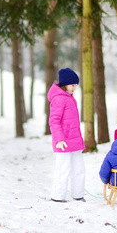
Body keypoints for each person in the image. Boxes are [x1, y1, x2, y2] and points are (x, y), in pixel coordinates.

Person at [47, 68, 86, 202]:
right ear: (65, 84)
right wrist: (59, 139)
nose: (74, 88)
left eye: (76, 85)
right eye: (72, 85)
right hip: (63, 142)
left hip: (74, 141)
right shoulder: (59, 99)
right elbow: (54, 121)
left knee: (79, 169)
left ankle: (78, 194)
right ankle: (58, 196)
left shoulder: (69, 98)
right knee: (63, 169)